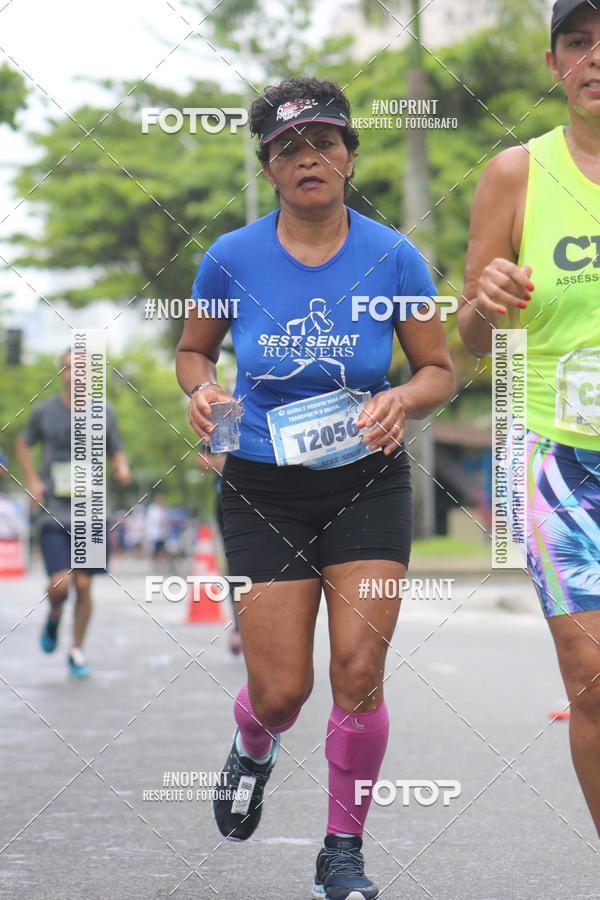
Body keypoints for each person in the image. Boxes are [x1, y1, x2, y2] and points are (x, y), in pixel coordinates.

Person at [176, 76, 455, 900]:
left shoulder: (394, 256)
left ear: (348, 156)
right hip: (263, 485)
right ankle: (254, 745)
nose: (309, 159)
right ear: (268, 166)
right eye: (289, 148)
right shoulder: (231, 257)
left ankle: (343, 850)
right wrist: (208, 403)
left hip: (367, 483)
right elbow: (196, 353)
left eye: (324, 143)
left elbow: (437, 367)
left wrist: (401, 398)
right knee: (282, 690)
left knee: (359, 668)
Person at [458, 0, 600, 836]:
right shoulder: (516, 173)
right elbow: (468, 341)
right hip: (558, 460)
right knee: (591, 677)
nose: (595, 58)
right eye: (579, 42)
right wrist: (487, 298)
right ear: (554, 65)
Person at [16, 349, 130, 677]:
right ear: (60, 374)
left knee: (84, 585)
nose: (73, 375)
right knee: (60, 585)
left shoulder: (104, 412)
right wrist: (34, 481)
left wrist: (121, 466)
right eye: (67, 369)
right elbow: (24, 444)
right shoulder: (44, 412)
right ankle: (54, 616)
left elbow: (117, 449)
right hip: (53, 509)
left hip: (92, 511)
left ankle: (77, 650)